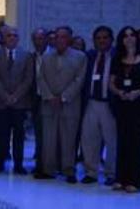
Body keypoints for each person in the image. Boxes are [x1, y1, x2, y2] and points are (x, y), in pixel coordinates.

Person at [36, 26, 87, 183]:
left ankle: (68, 170)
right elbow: (41, 78)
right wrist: (50, 97)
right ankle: (48, 170)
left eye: (63, 37)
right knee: (49, 139)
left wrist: (63, 97)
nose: (59, 40)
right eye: (57, 37)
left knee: (69, 139)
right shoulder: (46, 57)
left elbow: (79, 80)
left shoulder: (80, 57)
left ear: (70, 39)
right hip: (49, 103)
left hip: (70, 104)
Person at [0, 25, 34, 174]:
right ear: (4, 38)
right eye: (9, 36)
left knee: (19, 135)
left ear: (18, 38)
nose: (12, 38)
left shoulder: (26, 55)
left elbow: (28, 79)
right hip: (0, 102)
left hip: (19, 102)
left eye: (15, 35)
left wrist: (15, 96)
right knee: (0, 134)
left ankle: (18, 164)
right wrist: (5, 96)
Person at [80, 25, 117, 185]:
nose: (101, 41)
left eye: (105, 38)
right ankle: (91, 172)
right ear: (94, 41)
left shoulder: (117, 56)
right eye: (98, 38)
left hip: (110, 104)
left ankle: (111, 173)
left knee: (112, 141)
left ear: (111, 39)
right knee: (89, 139)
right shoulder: (89, 56)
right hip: (91, 103)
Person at [109, 26, 140, 193]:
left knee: (136, 143)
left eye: (132, 35)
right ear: (121, 40)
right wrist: (119, 92)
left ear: (137, 38)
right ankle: (120, 178)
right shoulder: (118, 58)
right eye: (125, 36)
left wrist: (139, 92)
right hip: (122, 105)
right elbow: (111, 82)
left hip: (139, 106)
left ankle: (135, 180)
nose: (129, 38)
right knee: (122, 141)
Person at [30, 27, 48, 176]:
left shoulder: (53, 56)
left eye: (41, 38)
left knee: (49, 135)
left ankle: (47, 166)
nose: (38, 42)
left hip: (51, 99)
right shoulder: (31, 57)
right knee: (39, 134)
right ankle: (40, 165)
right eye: (35, 39)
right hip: (36, 99)